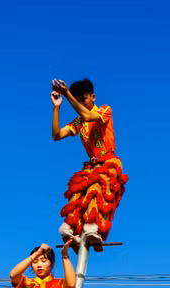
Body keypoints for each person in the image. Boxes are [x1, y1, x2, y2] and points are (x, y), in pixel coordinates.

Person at [51, 78, 128, 251]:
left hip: (108, 161)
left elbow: (87, 115)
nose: (80, 105)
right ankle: (72, 227)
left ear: (93, 97)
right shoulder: (79, 122)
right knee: (77, 192)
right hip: (91, 165)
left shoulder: (104, 110)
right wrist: (57, 108)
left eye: (83, 100)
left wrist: (67, 94)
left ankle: (93, 226)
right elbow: (56, 135)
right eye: (77, 102)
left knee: (98, 190)